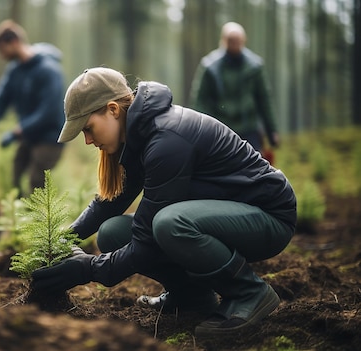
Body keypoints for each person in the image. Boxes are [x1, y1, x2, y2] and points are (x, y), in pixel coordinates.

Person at [31, 67, 296, 339]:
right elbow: (109, 204)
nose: (87, 140)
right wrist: (60, 241)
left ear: (112, 110)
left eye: (88, 128)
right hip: (225, 217)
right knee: (113, 231)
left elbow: (145, 243)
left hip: (268, 216)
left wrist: (88, 268)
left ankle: (249, 292)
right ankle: (191, 296)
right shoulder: (137, 135)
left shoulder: (166, 139)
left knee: (171, 224)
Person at [0, 19, 65, 194]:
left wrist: (19, 130)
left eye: (2, 50)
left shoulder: (49, 70)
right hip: (29, 136)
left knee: (36, 183)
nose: (1, 55)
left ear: (14, 42)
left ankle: (38, 221)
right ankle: (17, 220)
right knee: (15, 178)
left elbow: (49, 111)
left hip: (50, 138)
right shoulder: (15, 71)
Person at [190, 22, 278, 153]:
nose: (235, 43)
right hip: (220, 130)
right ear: (224, 40)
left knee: (253, 169)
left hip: (249, 130)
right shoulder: (210, 67)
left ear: (244, 40)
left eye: (238, 40)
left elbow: (264, 100)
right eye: (231, 40)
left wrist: (272, 131)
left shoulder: (255, 67)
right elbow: (201, 101)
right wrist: (199, 132)